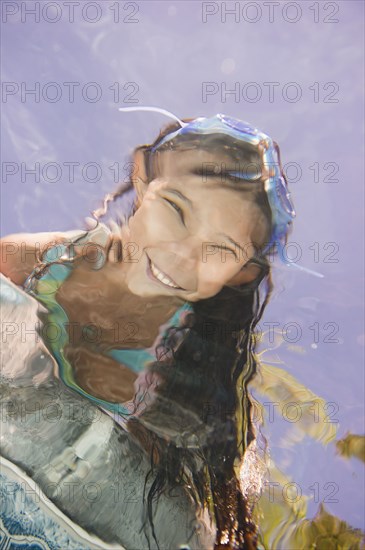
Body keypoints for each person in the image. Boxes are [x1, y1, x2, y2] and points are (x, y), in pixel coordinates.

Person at [0, 112, 295, 549]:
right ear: (141, 177)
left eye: (221, 249)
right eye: (176, 209)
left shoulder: (201, 364)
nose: (181, 255)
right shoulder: (54, 260)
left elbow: (225, 497)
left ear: (240, 274)